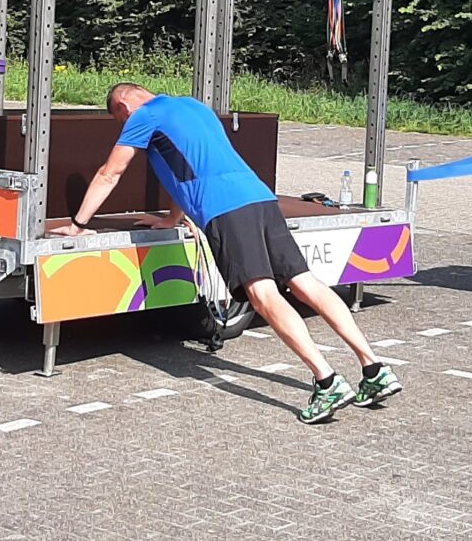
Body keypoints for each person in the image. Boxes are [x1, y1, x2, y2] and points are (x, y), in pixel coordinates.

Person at [51, 84, 402, 424]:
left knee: (262, 295)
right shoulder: (193, 107)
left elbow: (109, 173)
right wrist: (173, 217)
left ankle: (326, 382)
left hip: (226, 210)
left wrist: (79, 224)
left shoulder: (142, 116)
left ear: (123, 108)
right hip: (261, 199)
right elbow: (191, 165)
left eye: (120, 123)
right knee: (305, 282)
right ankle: (373, 368)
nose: (125, 129)